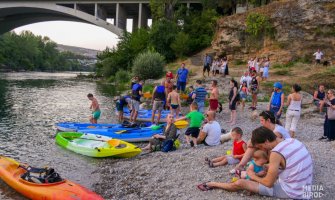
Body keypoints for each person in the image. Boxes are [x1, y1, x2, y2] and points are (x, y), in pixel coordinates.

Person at [198, 126, 313, 200]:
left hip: (294, 191)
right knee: (264, 172)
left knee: (240, 183)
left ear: (267, 141)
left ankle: (212, 184)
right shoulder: (292, 141)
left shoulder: (276, 153)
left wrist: (252, 175)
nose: (262, 150)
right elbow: (290, 165)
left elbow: (268, 183)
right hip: (306, 186)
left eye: (261, 146)